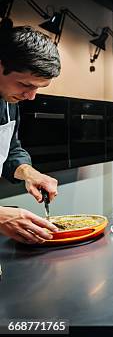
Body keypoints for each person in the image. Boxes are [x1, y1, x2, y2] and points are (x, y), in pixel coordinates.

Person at [0, 26, 61, 243]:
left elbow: (9, 150)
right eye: (25, 84)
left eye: (38, 88)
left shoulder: (9, 99)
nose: (31, 96)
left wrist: (28, 172)